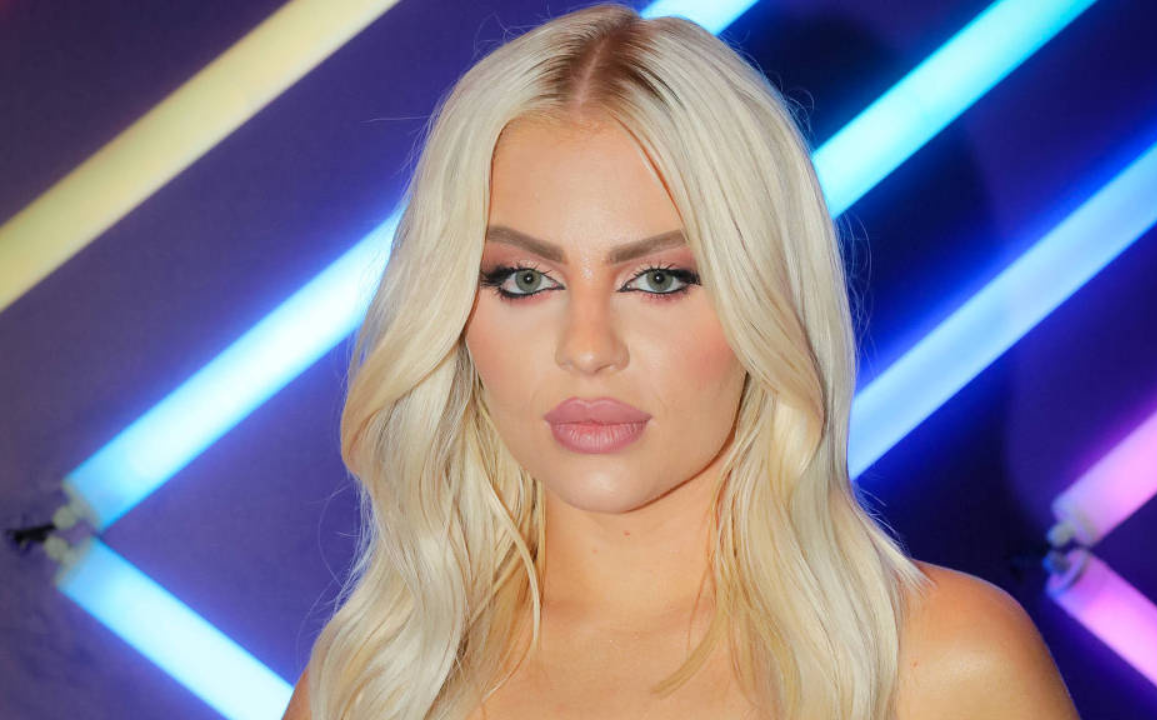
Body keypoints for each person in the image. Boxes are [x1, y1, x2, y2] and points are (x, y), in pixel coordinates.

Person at [284, 3, 1079, 719]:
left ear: (764, 298)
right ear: (453, 310)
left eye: (659, 279)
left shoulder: (936, 667)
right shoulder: (372, 686)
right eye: (525, 280)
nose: (587, 348)